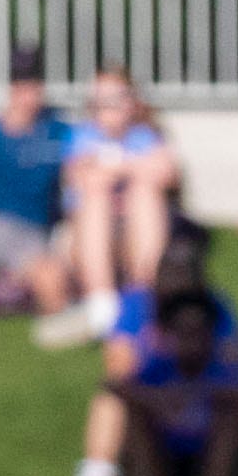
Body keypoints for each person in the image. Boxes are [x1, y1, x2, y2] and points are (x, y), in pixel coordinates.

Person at [81, 290, 238, 476]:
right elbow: (113, 385)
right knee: (134, 423)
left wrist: (205, 392)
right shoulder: (154, 371)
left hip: (208, 468)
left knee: (230, 420)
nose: (191, 341)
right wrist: (157, 400)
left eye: (198, 332)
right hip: (162, 467)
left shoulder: (221, 371)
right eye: (182, 332)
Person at [62, 69, 177, 340]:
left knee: (144, 194)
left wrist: (112, 163)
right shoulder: (82, 136)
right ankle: (102, 304)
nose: (108, 106)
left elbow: (166, 173)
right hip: (84, 238)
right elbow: (83, 179)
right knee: (97, 199)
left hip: (135, 230)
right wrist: (133, 165)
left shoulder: (146, 135)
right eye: (101, 99)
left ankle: (144, 298)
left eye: (116, 98)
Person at [0, 45, 73, 322]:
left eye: (34, 86)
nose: (28, 95)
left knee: (52, 282)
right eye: (21, 87)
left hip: (33, 233)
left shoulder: (58, 132)